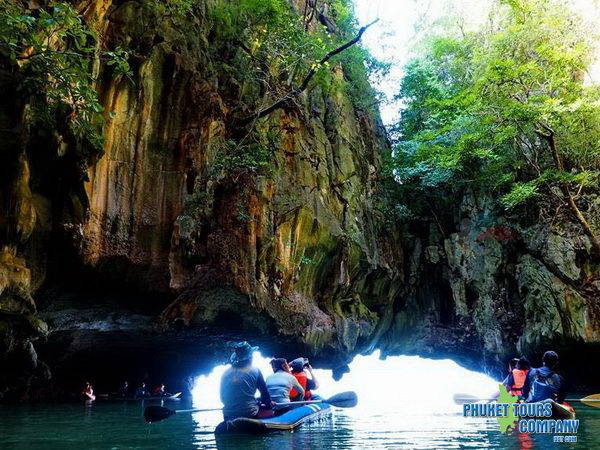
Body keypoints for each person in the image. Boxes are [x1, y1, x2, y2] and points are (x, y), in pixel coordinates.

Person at [219, 341, 273, 420]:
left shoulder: (225, 373)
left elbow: (222, 398)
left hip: (228, 414)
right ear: (250, 357)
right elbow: (265, 395)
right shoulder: (255, 371)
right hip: (249, 413)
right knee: (270, 411)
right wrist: (269, 404)